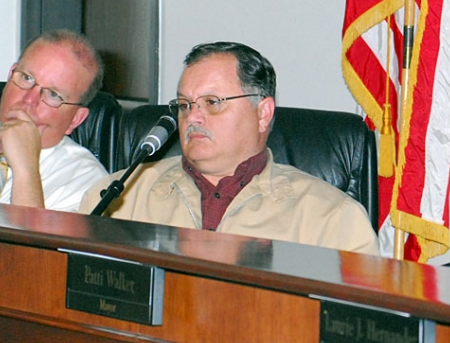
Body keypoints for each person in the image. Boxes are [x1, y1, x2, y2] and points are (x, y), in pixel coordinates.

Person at [79, 41, 378, 255]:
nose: (192, 117)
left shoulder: (333, 219)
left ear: (263, 114)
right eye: (184, 105)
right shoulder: (117, 198)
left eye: (212, 103)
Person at [0, 29, 108, 211]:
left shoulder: (87, 184)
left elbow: (31, 240)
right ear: (11, 74)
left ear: (75, 119)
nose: (29, 100)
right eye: (27, 78)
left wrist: (26, 170)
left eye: (53, 94)